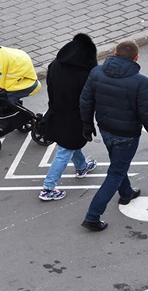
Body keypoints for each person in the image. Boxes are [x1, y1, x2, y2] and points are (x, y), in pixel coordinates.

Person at [79, 39, 148, 231]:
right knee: (116, 172)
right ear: (136, 58)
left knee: (118, 164)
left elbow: (85, 101)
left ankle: (126, 192)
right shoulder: (141, 82)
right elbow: (147, 114)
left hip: (105, 128)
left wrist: (86, 124)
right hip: (127, 135)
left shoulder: (96, 72)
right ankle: (93, 216)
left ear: (114, 53)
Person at [39, 34, 99, 201]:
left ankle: (81, 167)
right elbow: (88, 100)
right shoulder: (85, 74)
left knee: (70, 143)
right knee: (65, 150)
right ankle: (48, 188)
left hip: (56, 112)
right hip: (74, 117)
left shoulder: (55, 65)